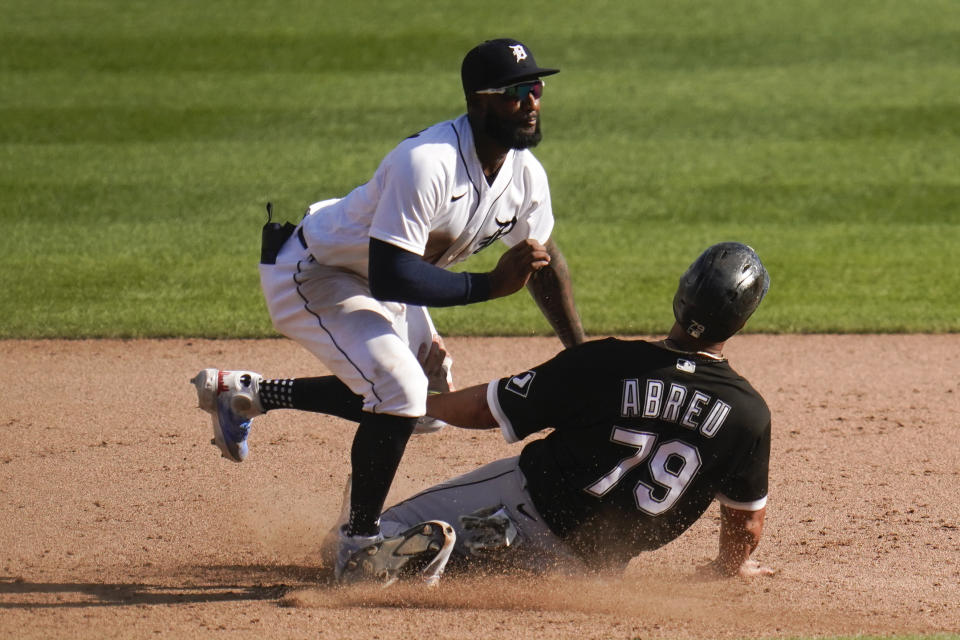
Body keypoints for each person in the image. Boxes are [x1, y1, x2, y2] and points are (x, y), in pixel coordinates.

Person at [190, 38, 584, 580]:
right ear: (478, 102)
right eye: (516, 92)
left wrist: (582, 355)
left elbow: (544, 260)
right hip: (316, 274)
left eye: (535, 88)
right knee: (400, 389)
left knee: (421, 409)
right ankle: (358, 545)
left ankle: (247, 394)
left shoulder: (525, 175)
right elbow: (393, 272)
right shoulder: (427, 163)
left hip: (386, 281)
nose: (532, 100)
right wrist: (486, 288)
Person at [334, 241, 775, 584]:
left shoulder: (607, 362)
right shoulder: (749, 414)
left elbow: (487, 409)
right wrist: (727, 567)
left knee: (350, 546)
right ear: (742, 320)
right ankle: (480, 555)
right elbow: (746, 524)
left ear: (682, 293)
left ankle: (476, 540)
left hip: (523, 504)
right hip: (588, 570)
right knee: (545, 560)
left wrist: (411, 403)